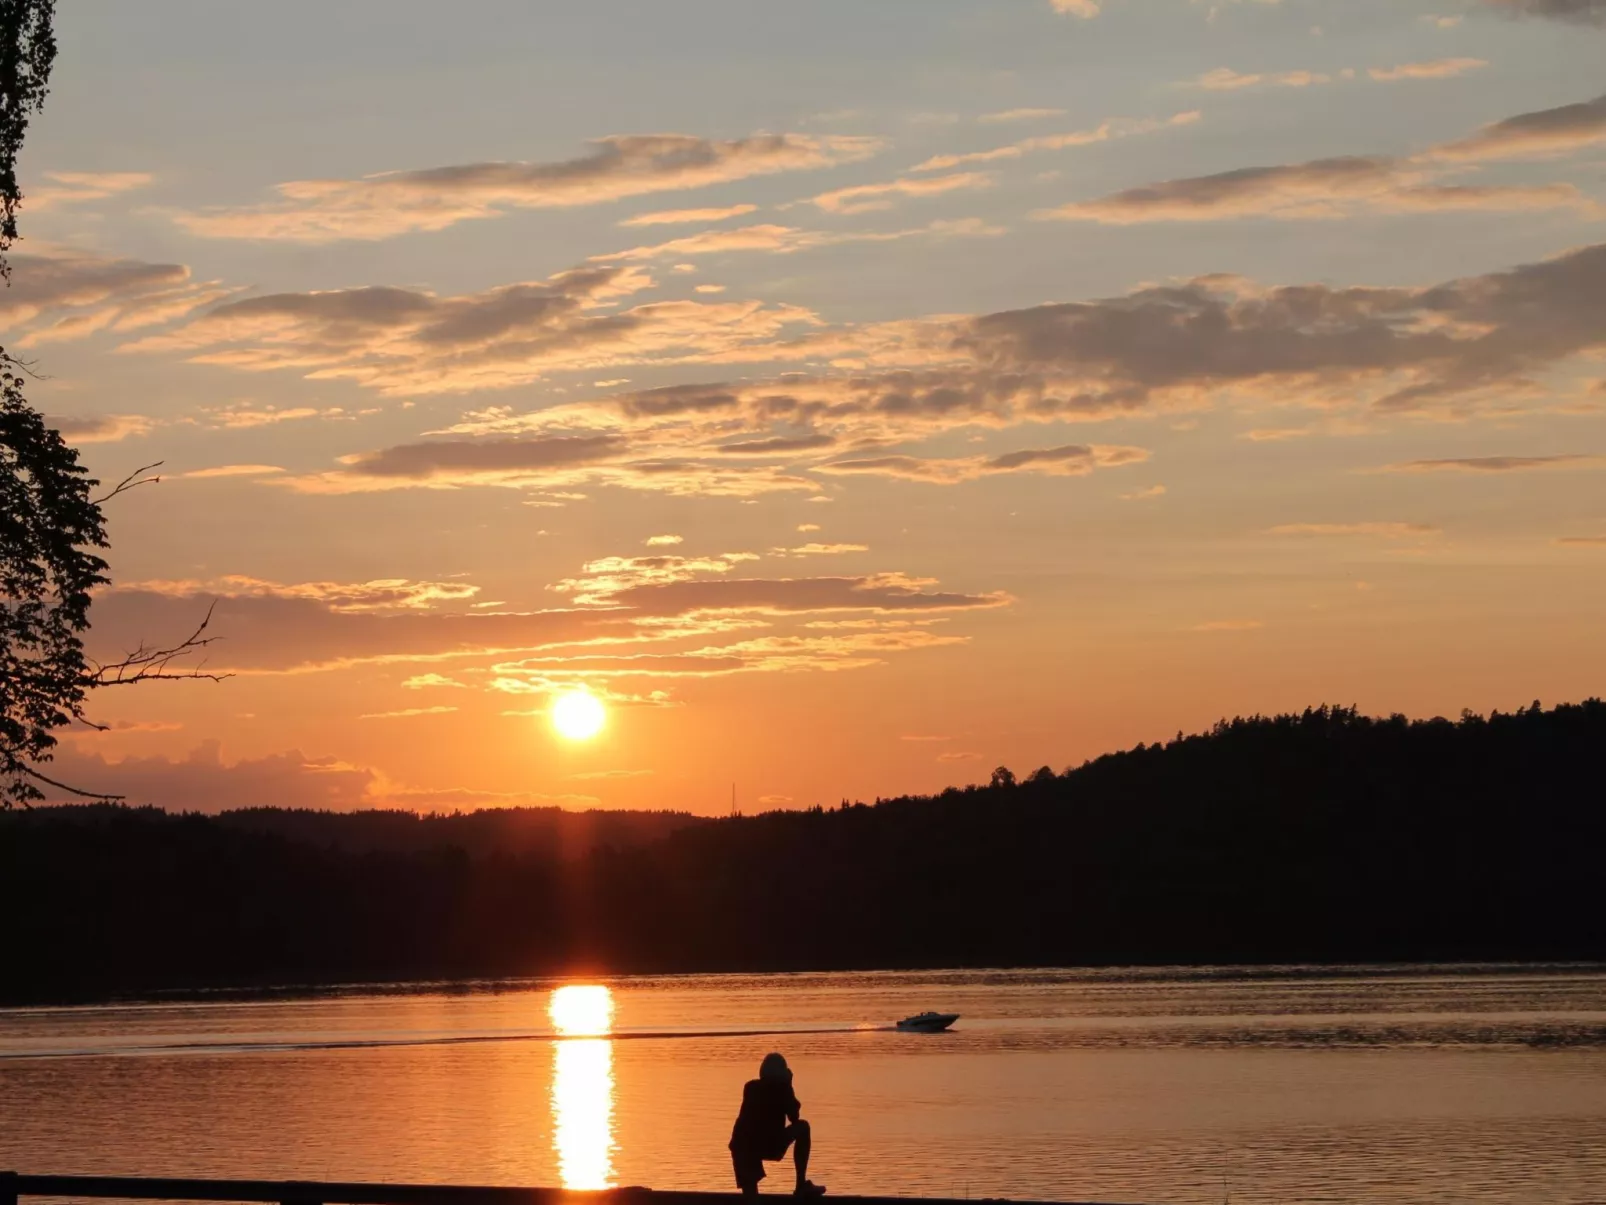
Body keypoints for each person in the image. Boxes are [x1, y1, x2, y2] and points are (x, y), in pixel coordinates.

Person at [729, 1052, 825, 1197]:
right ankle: (800, 1184)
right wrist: (789, 1085)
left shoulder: (750, 1087)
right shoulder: (782, 1089)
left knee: (751, 1198)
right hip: (767, 1145)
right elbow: (794, 1117)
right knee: (803, 1127)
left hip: (741, 1146)